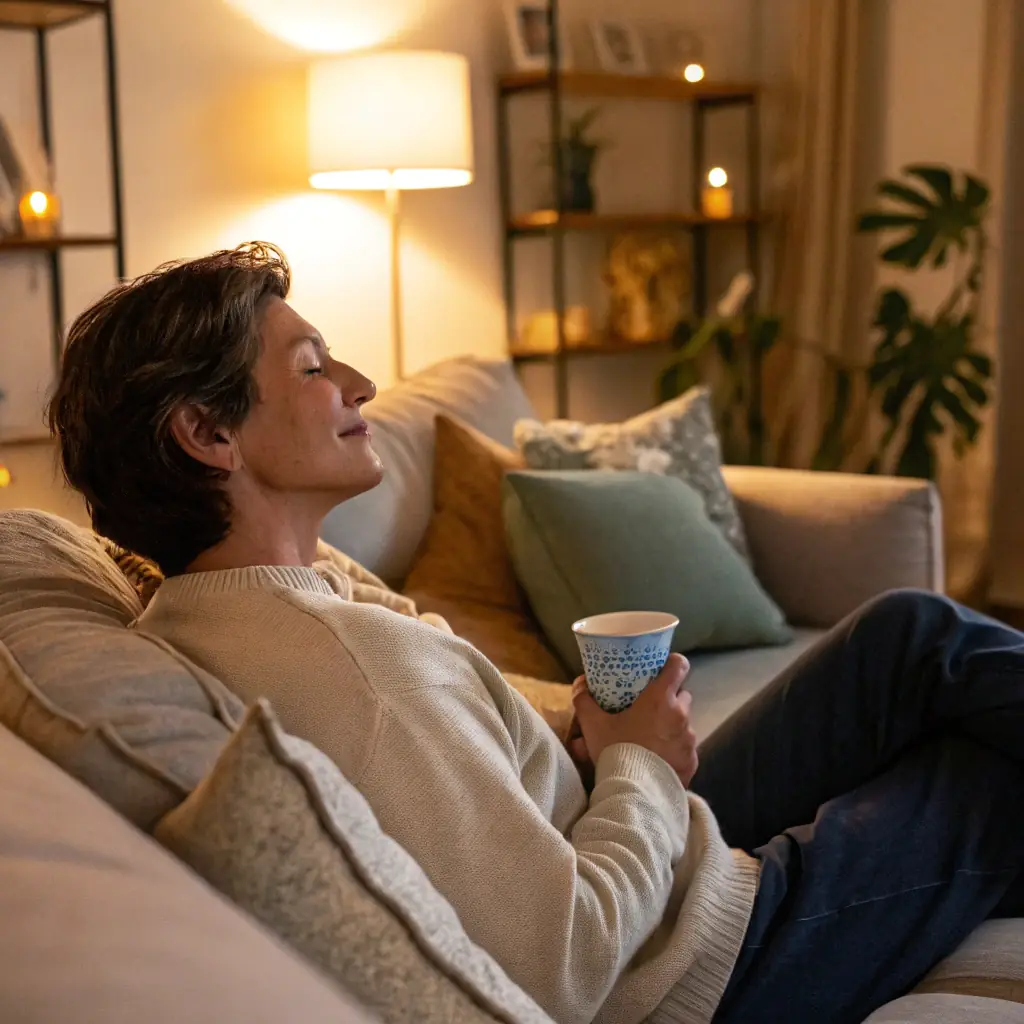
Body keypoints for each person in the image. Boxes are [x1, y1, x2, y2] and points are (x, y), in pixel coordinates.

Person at [48, 243, 1024, 1024]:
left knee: (911, 633)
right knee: (988, 768)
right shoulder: (347, 670)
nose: (360, 383)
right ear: (205, 435)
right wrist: (637, 766)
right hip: (706, 969)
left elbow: (461, 765)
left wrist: (584, 745)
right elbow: (565, 968)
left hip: (640, 853)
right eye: (311, 366)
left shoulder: (262, 593)